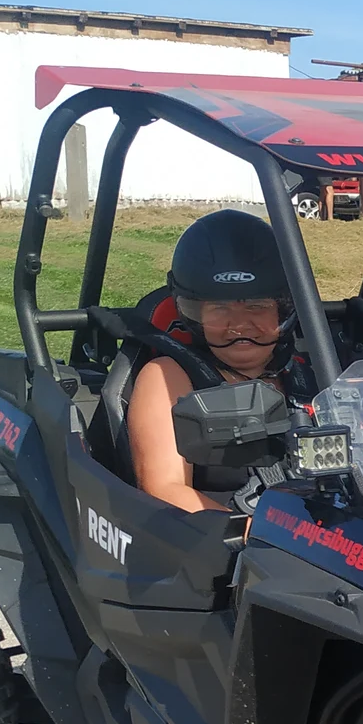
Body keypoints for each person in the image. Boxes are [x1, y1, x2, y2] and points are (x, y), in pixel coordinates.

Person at [125, 210, 299, 512]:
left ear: (282, 310)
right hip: (221, 541)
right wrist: (265, 538)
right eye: (220, 309)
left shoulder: (308, 373)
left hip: (322, 536)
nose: (240, 324)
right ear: (194, 315)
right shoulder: (168, 377)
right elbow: (163, 488)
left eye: (257, 306)